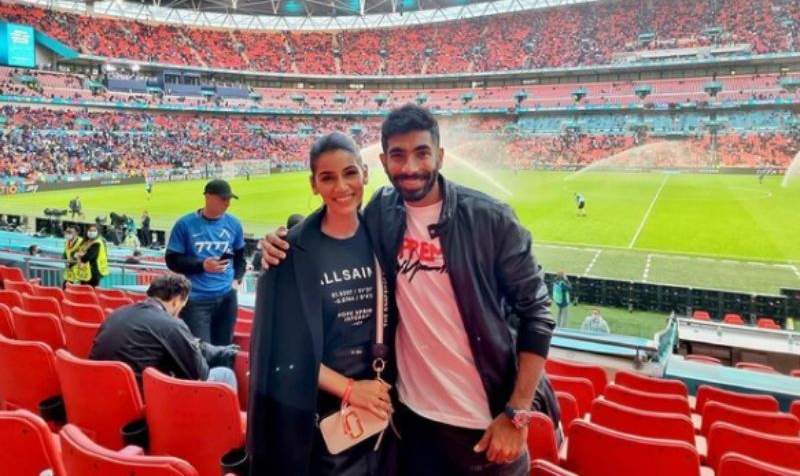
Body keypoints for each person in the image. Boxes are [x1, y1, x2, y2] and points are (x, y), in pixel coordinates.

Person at [261, 105, 558, 475]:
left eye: (422, 152)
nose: (410, 166)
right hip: (412, 424)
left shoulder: (491, 219)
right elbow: (335, 223)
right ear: (383, 162)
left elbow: (537, 316)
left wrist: (516, 413)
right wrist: (281, 241)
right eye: (398, 156)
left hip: (484, 427)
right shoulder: (382, 210)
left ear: (441, 156)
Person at [248, 133, 394, 476]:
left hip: (385, 404)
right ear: (313, 185)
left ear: (366, 174)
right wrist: (350, 390)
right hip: (319, 414)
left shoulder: (387, 237)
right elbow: (281, 354)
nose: (341, 186)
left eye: (350, 173)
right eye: (327, 177)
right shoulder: (289, 253)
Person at [90, 274, 239, 389]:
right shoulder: (171, 325)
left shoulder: (117, 313)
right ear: (177, 301)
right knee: (226, 375)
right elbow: (199, 374)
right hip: (142, 402)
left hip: (101, 390)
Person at [165, 179, 246, 345]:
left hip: (226, 297)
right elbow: (172, 260)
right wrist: (202, 266)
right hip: (196, 300)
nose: (227, 204)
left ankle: (223, 372)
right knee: (201, 351)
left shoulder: (234, 224)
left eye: (229, 199)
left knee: (224, 348)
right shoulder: (185, 225)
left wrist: (236, 280)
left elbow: (240, 257)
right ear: (209, 197)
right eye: (223, 199)